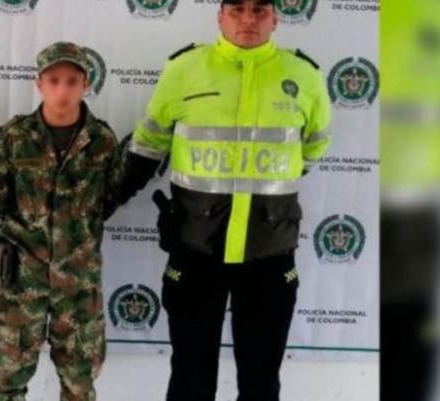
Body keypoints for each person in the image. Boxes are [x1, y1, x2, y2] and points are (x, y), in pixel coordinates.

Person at [121, 1, 332, 400]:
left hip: (269, 255)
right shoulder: (184, 69)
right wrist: (105, 202)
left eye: (258, 9)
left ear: (275, 16)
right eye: (236, 9)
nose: (248, 19)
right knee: (190, 379)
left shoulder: (304, 76)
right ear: (219, 16)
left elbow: (313, 148)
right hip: (195, 248)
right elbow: (148, 145)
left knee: (261, 381)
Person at [0, 41, 124, 401]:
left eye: (72, 80)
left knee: (80, 382)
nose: (63, 89)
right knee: (8, 379)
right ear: (39, 83)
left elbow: (107, 200)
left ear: (86, 83)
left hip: (78, 281)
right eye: (54, 80)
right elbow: (1, 197)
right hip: (21, 277)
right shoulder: (14, 138)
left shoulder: (102, 141)